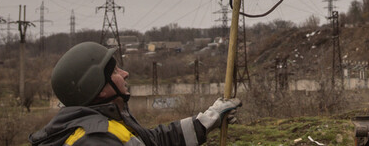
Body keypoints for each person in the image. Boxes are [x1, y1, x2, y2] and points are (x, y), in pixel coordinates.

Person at [29, 42, 241, 146]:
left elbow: (155, 141)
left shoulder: (109, 125)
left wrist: (206, 121)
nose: (125, 73)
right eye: (114, 71)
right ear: (99, 88)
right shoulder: (95, 139)